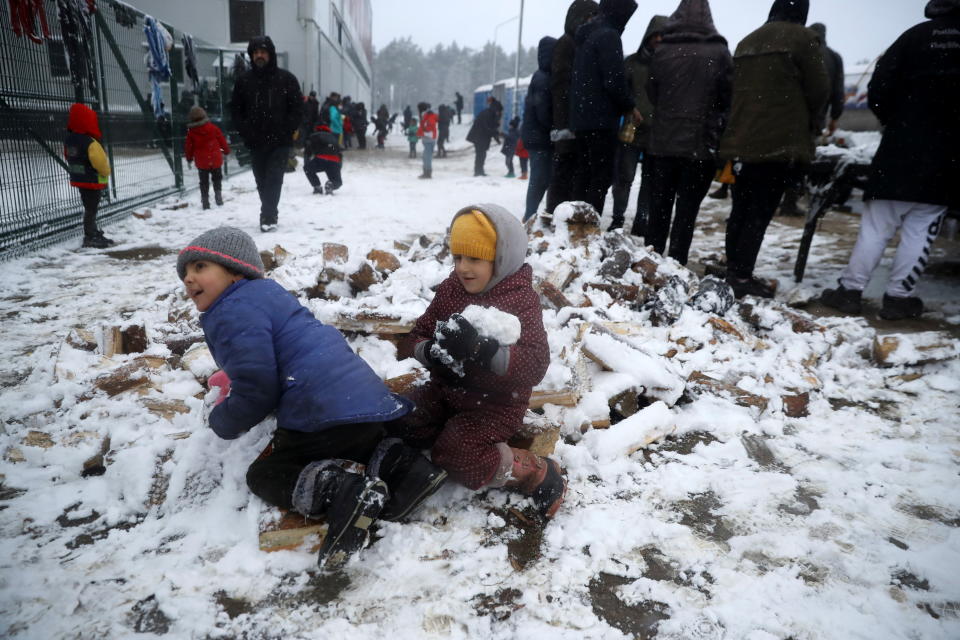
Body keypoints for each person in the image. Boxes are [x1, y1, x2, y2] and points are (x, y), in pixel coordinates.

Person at [177, 226, 445, 570]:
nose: (188, 278)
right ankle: (403, 466)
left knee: (267, 473)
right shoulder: (267, 294)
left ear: (234, 272)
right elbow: (277, 349)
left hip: (319, 408)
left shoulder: (229, 312)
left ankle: (343, 492)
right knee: (353, 440)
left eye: (200, 268)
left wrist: (224, 420)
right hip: (360, 397)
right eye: (185, 272)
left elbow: (258, 390)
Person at [388, 205, 565, 520]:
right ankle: (443, 434)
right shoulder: (452, 289)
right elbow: (414, 337)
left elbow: (536, 365)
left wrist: (485, 350)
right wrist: (430, 351)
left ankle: (533, 471)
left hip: (495, 406)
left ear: (500, 260)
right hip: (446, 391)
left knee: (456, 453)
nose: (463, 268)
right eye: (457, 258)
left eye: (474, 259)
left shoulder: (520, 299)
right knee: (400, 417)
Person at [820, 0, 960, 321]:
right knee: (921, 229)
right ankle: (898, 298)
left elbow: (878, 86)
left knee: (875, 227)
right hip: (944, 158)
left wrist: (896, 121)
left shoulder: (912, 37)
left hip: (898, 149)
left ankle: (850, 291)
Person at [717, 0, 828, 298]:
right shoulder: (803, 39)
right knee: (759, 211)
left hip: (741, 140)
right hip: (778, 143)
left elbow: (732, 90)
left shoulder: (747, 41)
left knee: (740, 208)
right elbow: (820, 91)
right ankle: (741, 276)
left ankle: (734, 270)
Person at [644, 0, 732, 265]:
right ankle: (677, 261)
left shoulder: (662, 51)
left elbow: (652, 92)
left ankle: (651, 259)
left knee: (659, 206)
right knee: (687, 210)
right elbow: (727, 97)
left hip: (663, 143)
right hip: (699, 145)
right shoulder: (719, 51)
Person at [569, 0, 641, 215]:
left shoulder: (586, 36)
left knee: (583, 174)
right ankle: (589, 228)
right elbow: (614, 80)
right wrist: (630, 106)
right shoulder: (609, 36)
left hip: (581, 119)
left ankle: (574, 224)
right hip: (600, 120)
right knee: (600, 178)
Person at [230, 36, 303, 232]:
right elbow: (236, 111)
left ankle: (268, 215)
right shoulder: (244, 81)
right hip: (255, 141)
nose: (259, 56)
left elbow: (297, 108)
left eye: (262, 52)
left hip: (280, 141)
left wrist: (287, 128)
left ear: (270, 54)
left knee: (274, 178)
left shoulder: (286, 79)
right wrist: (246, 131)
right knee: (261, 179)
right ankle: (268, 209)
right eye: (255, 53)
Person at [610, 15, 667, 234]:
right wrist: (629, 109)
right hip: (631, 130)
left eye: (664, 36)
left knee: (650, 181)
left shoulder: (669, 66)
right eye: (656, 35)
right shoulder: (632, 63)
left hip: (658, 133)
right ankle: (617, 218)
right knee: (624, 177)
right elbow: (620, 93)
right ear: (648, 36)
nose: (659, 40)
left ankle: (642, 221)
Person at [546, 0, 598, 214]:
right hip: (568, 124)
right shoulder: (567, 44)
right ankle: (556, 216)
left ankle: (564, 216)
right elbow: (560, 88)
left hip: (574, 122)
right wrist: (565, 124)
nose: (592, 22)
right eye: (589, 17)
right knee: (564, 175)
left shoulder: (579, 44)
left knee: (571, 175)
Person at [64, 102, 114, 248]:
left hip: (79, 178)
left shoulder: (70, 139)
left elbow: (68, 156)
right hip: (92, 179)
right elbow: (100, 162)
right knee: (92, 208)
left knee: (89, 207)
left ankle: (92, 232)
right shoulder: (90, 142)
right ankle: (90, 235)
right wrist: (106, 172)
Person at [520, 36, 557, 221]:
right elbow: (543, 111)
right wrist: (554, 127)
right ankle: (529, 217)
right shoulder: (543, 78)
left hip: (537, 137)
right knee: (539, 179)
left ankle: (532, 216)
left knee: (541, 179)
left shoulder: (542, 75)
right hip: (539, 138)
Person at [184, 105, 231, 210]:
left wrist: (189, 158)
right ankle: (218, 197)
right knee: (217, 179)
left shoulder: (191, 132)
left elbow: (189, 147)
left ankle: (205, 201)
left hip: (202, 162)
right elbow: (222, 141)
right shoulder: (213, 128)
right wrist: (226, 151)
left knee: (204, 182)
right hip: (215, 159)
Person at [304, 123, 343, 195]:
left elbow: (307, 153)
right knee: (337, 181)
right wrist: (339, 166)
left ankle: (317, 186)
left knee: (307, 169)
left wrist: (307, 165)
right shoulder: (334, 138)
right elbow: (339, 153)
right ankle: (331, 184)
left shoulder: (313, 136)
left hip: (320, 159)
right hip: (334, 160)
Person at [466, 100, 501, 176]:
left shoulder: (489, 113)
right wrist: (496, 136)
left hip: (481, 137)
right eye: (499, 111)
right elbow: (488, 128)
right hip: (479, 137)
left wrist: (496, 137)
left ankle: (480, 170)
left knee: (481, 154)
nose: (499, 113)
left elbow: (491, 127)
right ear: (496, 109)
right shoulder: (488, 115)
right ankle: (478, 171)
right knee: (480, 155)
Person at [418, 105, 438, 179]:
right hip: (428, 140)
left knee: (427, 158)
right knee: (425, 157)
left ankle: (427, 173)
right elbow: (422, 127)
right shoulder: (427, 118)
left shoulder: (429, 119)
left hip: (429, 140)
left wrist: (421, 133)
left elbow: (429, 131)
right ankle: (426, 172)